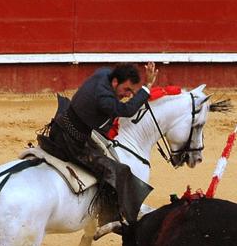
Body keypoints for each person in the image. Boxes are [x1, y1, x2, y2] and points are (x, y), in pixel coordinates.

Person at [37, 62, 159, 225]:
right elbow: (126, 111)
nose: (128, 95)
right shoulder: (105, 98)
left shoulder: (103, 73)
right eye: (127, 89)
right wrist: (147, 87)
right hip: (72, 142)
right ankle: (108, 217)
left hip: (63, 125)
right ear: (115, 82)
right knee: (117, 170)